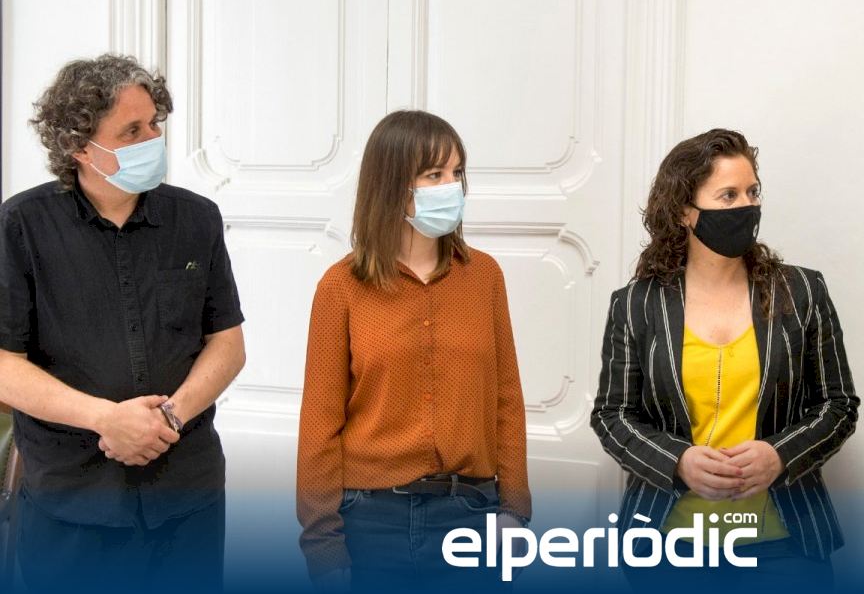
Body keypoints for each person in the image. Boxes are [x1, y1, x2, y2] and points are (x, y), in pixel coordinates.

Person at [0, 54, 246, 592]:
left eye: (154, 123)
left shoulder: (197, 218)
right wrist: (106, 419)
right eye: (132, 131)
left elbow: (228, 344)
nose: (153, 138)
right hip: (71, 500)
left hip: (187, 496)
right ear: (79, 147)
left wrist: (169, 419)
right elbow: (4, 366)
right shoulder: (20, 225)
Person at [591, 128, 858, 590]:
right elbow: (612, 415)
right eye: (728, 195)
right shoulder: (636, 304)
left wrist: (779, 455)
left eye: (752, 192)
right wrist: (678, 461)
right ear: (684, 212)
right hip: (667, 547)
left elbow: (839, 406)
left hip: (785, 545)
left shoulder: (802, 291)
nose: (746, 206)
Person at [296, 110, 530, 592]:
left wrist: (514, 511)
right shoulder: (340, 288)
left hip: (471, 514)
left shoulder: (484, 277)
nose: (451, 186)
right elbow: (320, 424)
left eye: (457, 173)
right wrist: (322, 545)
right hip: (369, 520)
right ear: (392, 184)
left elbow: (506, 400)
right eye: (434, 174)